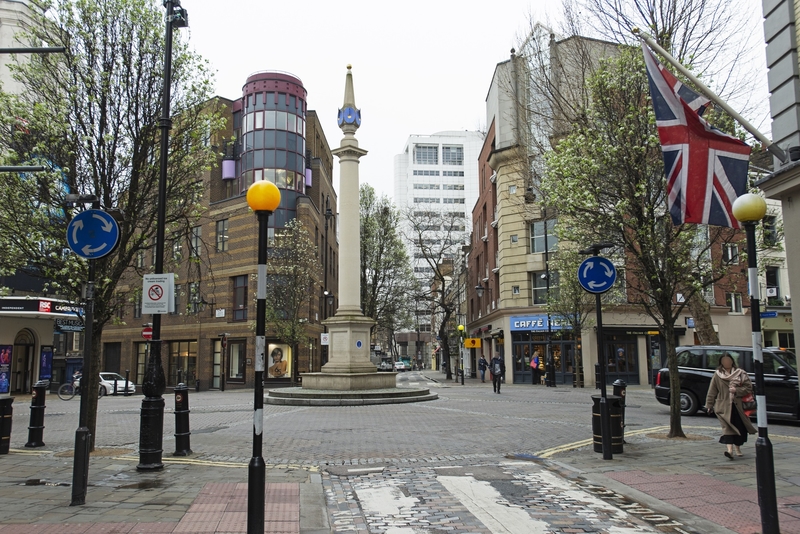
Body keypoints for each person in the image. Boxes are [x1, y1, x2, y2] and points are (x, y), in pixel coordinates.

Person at [705, 353, 756, 459]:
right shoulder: (718, 374)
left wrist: (736, 390)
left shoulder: (741, 373)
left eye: (728, 360)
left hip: (738, 406)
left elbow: (749, 387)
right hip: (723, 406)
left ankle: (737, 448)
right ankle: (730, 450)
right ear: (721, 363)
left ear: (732, 361)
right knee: (727, 427)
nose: (726, 363)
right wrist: (709, 404)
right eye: (724, 361)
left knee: (739, 427)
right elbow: (712, 390)